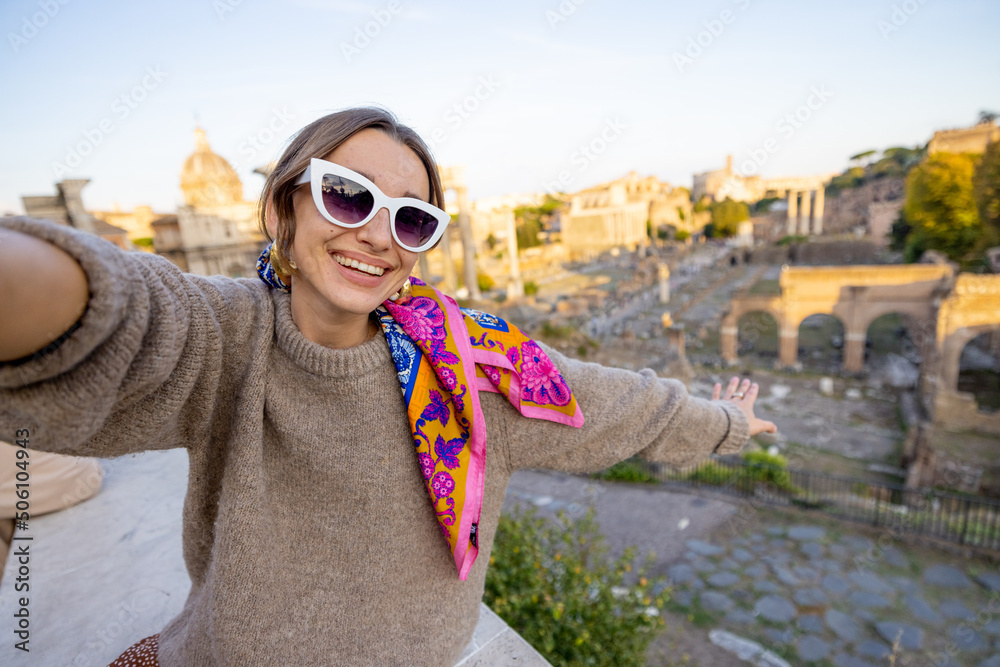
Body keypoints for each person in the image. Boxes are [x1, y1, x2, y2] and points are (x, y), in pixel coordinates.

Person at [0, 107, 776, 666]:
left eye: (412, 220)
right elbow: (123, 316)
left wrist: (723, 421)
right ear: (284, 206)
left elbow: (617, 406)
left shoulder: (473, 369)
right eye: (348, 195)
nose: (377, 234)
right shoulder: (228, 339)